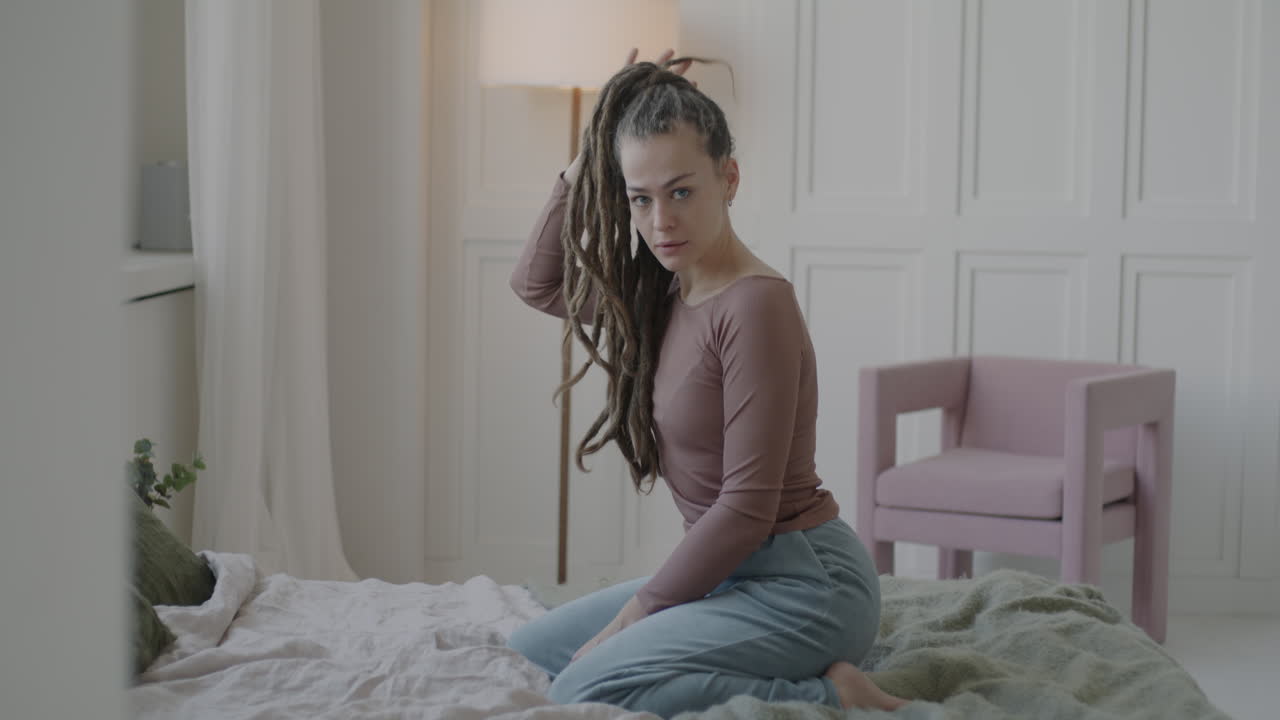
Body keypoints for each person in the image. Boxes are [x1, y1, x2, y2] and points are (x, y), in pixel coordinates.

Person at [506, 48, 908, 718]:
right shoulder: (660, 297)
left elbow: (746, 508)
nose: (661, 221)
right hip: (731, 575)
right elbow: (536, 283)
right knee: (533, 648)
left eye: (682, 192)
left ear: (729, 178)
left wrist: (634, 617)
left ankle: (835, 694)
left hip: (808, 585)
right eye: (641, 198)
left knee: (583, 686)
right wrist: (590, 153)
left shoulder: (755, 306)